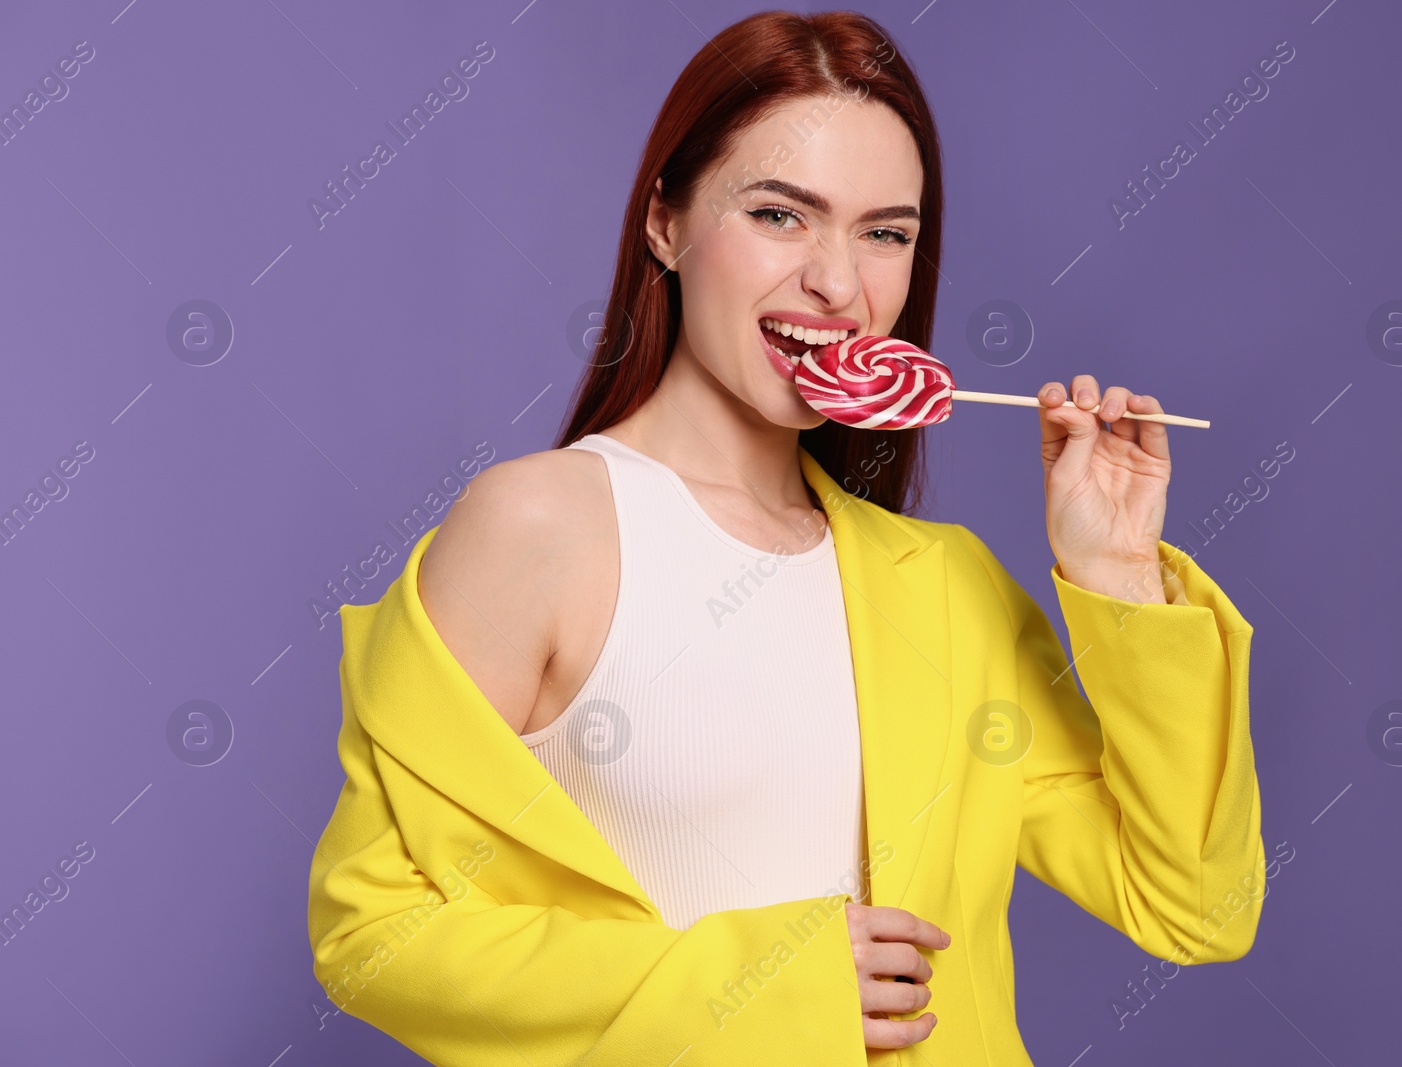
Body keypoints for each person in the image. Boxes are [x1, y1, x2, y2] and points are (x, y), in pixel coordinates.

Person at [307, 10, 1264, 1065]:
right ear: (664, 220)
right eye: (780, 214)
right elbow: (373, 935)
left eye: (885, 232)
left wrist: (1119, 571)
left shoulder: (945, 589)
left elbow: (1191, 903)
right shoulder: (539, 527)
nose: (839, 285)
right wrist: (770, 987)